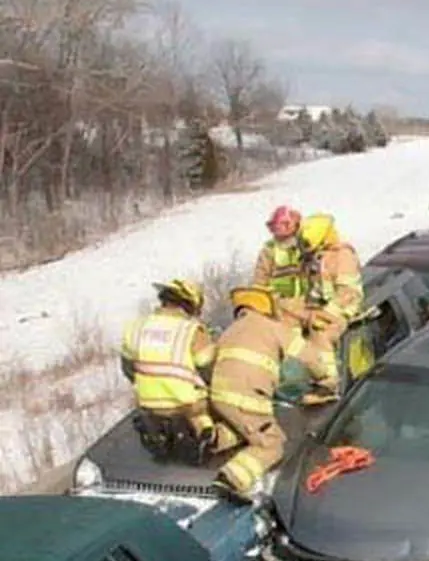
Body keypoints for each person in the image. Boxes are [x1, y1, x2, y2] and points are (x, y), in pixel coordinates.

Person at [209, 286, 336, 500]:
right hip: (247, 397)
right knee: (273, 443)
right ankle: (232, 479)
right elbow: (308, 356)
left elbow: (209, 362)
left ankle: (213, 440)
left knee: (243, 429)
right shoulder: (270, 327)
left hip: (219, 396)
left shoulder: (229, 331)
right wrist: (326, 379)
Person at [121, 279, 225, 461]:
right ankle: (207, 436)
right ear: (190, 306)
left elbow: (128, 368)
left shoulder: (136, 327)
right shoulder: (192, 331)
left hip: (147, 406)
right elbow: (209, 370)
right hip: (188, 409)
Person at [294, 213, 364, 401]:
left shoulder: (342, 257)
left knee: (320, 332)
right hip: (316, 307)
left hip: (342, 308)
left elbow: (348, 294)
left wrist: (326, 313)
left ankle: (328, 385)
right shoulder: (312, 258)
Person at [253, 205, 305, 320]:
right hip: (279, 307)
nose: (277, 229)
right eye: (274, 226)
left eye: (283, 224)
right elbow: (260, 281)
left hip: (306, 304)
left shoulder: (307, 244)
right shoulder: (269, 250)